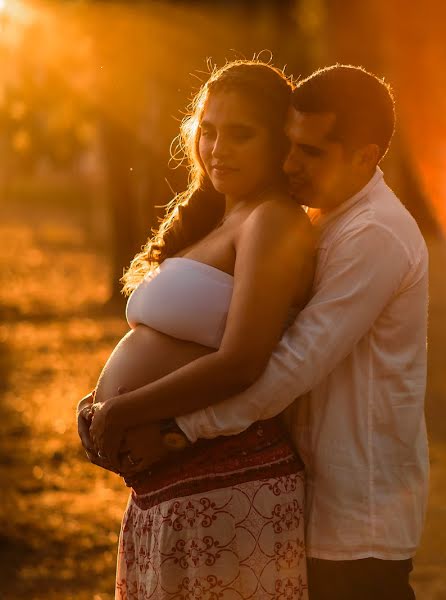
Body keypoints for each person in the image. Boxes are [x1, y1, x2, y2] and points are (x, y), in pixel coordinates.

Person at [99, 64, 431, 600]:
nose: (291, 163)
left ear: (365, 157)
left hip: (354, 508)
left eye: (311, 151)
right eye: (291, 146)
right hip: (297, 489)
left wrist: (176, 427)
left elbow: (289, 363)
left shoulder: (374, 235)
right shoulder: (323, 219)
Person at [78, 59, 315, 599]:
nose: (217, 148)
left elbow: (242, 360)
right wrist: (97, 404)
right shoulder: (218, 220)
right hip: (172, 492)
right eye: (207, 131)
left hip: (228, 485)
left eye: (240, 134)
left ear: (280, 143)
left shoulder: (273, 219)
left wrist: (122, 410)